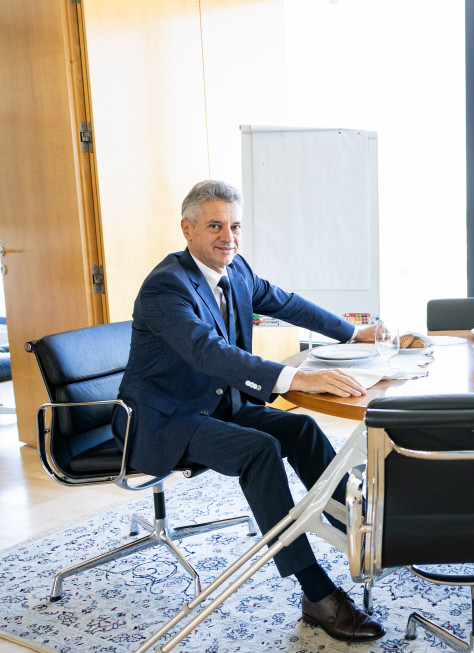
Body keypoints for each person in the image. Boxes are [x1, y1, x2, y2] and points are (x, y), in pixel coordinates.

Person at [114, 180, 385, 641]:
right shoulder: (166, 287)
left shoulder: (235, 271)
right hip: (164, 421)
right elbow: (209, 352)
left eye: (235, 225)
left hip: (216, 405)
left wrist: (350, 332)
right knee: (260, 450)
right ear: (187, 229)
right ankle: (316, 593)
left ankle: (357, 529)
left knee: (299, 429)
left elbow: (285, 302)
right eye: (216, 225)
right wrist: (298, 378)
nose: (229, 237)